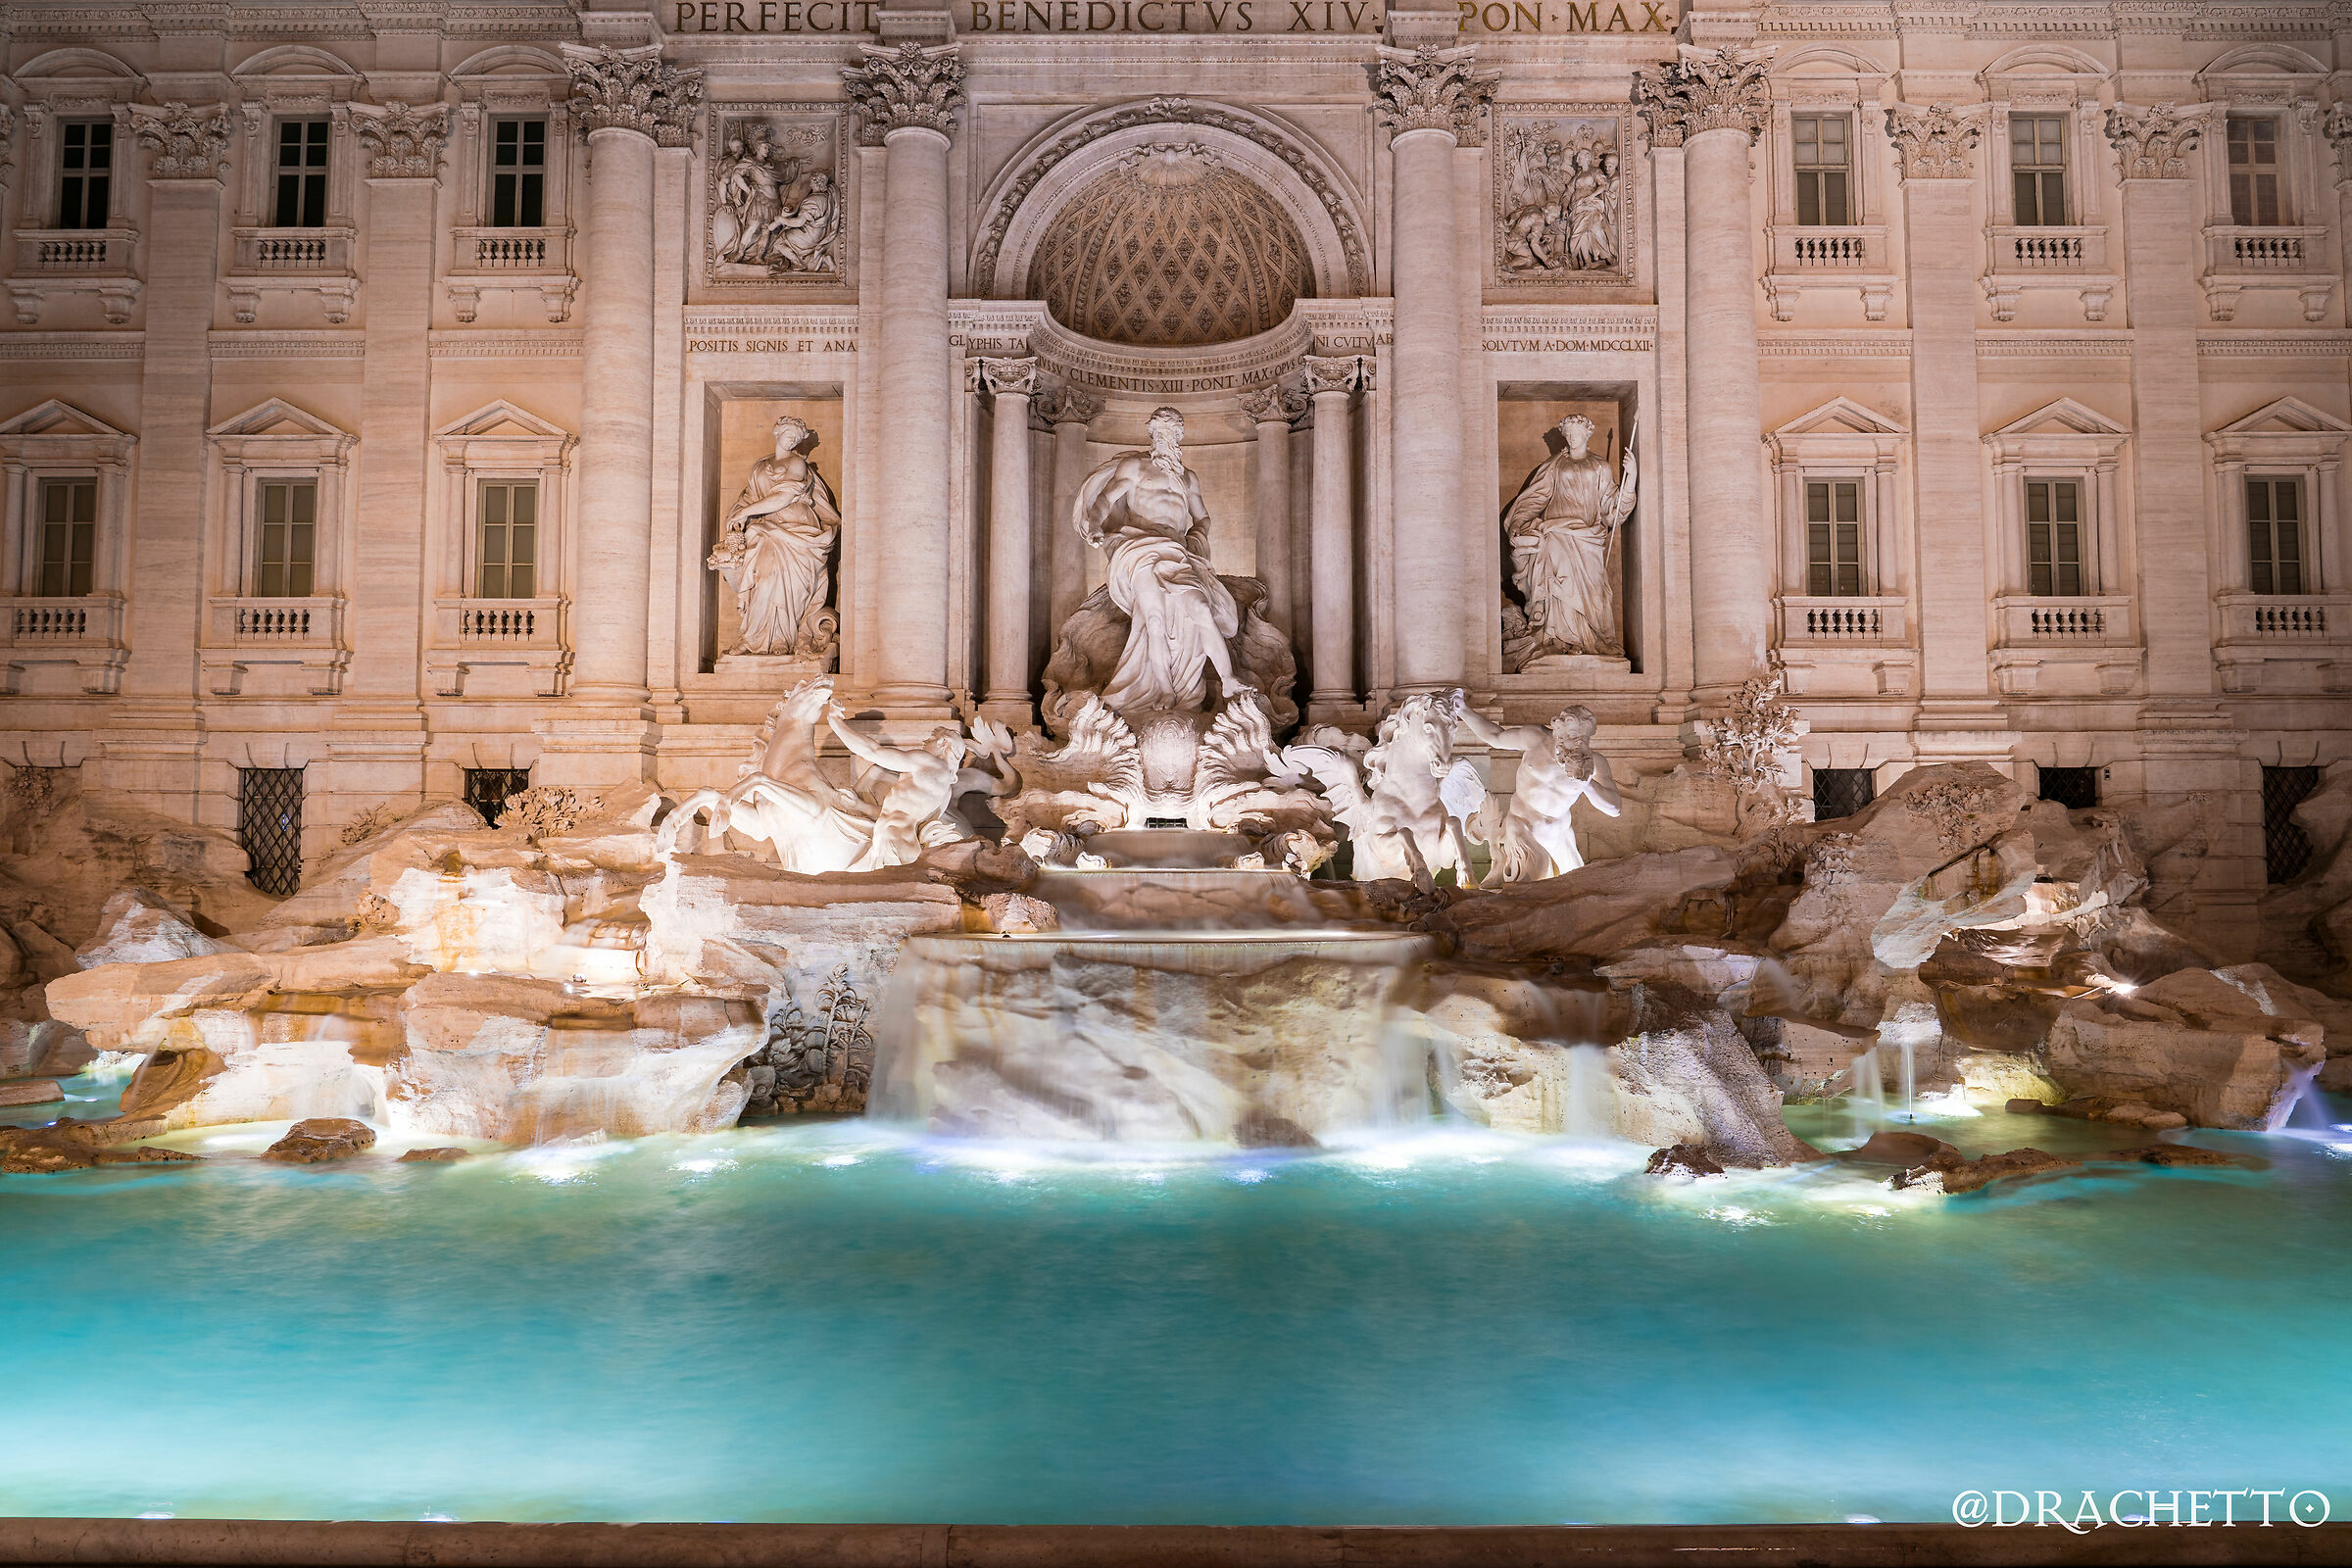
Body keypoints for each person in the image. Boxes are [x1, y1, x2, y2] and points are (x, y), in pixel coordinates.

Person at [1068, 406, 1253, 714]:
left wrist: (1196, 541)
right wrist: (1095, 523)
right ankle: (1166, 690)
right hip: (1140, 549)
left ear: (1180, 436)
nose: (1166, 437)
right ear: (1151, 434)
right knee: (1153, 620)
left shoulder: (1189, 478)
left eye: (1172, 431)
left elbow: (1203, 518)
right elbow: (1105, 500)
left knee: (1201, 608)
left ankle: (1229, 678)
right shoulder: (1135, 467)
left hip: (1178, 553)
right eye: (1160, 431)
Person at [1503, 414, 1637, 662]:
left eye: (1576, 433)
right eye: (1568, 434)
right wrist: (1519, 522)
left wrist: (1632, 478)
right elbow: (1536, 497)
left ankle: (1591, 640)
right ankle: (1557, 638)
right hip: (1556, 533)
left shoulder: (1600, 467)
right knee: (1557, 580)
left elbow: (1613, 510)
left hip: (1589, 538)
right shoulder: (1556, 465)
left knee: (1594, 590)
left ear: (1587, 434)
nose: (1572, 438)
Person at [710, 416, 840, 656]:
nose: (792, 440)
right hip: (766, 533)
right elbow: (748, 499)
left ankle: (783, 639)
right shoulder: (760, 467)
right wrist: (738, 517)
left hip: (798, 533)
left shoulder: (797, 464)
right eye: (789, 434)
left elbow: (784, 497)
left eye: (796, 438)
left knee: (786, 585)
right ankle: (751, 639)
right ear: (777, 433)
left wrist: (747, 512)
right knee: (765, 581)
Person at [1453, 700, 1622, 883]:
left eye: (1585, 738)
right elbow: (1495, 736)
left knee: (1577, 889)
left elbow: (1614, 809)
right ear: (1558, 729)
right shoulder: (1535, 738)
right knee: (1530, 888)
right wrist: (1462, 709)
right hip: (1522, 827)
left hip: (1559, 834)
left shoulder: (1594, 763)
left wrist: (1586, 783)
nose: (1578, 743)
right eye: (1573, 735)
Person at [824, 704, 967, 871]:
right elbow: (899, 815)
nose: (924, 745)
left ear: (943, 742)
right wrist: (859, 806)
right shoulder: (946, 791)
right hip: (899, 842)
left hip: (894, 841)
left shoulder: (928, 762)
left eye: (929, 741)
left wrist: (836, 723)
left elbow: (873, 751)